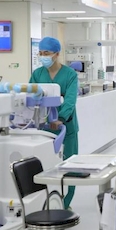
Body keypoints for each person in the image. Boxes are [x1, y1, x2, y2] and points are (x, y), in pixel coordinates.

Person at [29, 37, 79, 209]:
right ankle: (48, 204)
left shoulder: (70, 75)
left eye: (47, 53)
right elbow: (30, 96)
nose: (43, 56)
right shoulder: (37, 74)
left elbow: (70, 100)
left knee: (70, 167)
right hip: (43, 130)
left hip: (66, 127)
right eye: (41, 53)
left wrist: (61, 118)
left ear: (57, 54)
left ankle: (65, 205)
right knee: (47, 167)